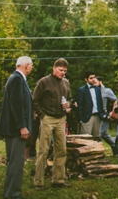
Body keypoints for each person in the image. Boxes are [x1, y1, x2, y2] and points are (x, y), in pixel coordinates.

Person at [33, 58, 72, 190]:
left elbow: (70, 99)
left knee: (61, 150)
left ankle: (58, 180)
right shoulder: (44, 82)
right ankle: (39, 181)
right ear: (54, 68)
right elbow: (35, 100)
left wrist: (68, 104)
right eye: (61, 70)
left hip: (61, 118)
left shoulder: (66, 83)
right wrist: (42, 115)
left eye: (65, 71)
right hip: (47, 118)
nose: (63, 73)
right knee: (43, 150)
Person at [0, 56, 33, 199]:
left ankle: (10, 192)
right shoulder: (17, 79)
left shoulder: (15, 79)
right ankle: (13, 195)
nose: (31, 68)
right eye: (31, 65)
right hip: (15, 130)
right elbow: (17, 105)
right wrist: (22, 126)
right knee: (16, 163)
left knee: (13, 163)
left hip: (13, 128)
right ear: (25, 65)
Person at [96, 76, 118, 156]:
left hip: (105, 114)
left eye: (96, 82)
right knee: (96, 134)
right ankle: (98, 151)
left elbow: (115, 100)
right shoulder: (94, 91)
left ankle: (114, 146)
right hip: (96, 114)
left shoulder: (106, 91)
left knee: (102, 133)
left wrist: (112, 113)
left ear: (100, 81)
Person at [76, 70, 103, 137]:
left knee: (97, 138)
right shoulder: (82, 90)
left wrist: (101, 114)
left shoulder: (98, 89)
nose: (93, 79)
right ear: (86, 79)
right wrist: (81, 119)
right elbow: (79, 106)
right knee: (86, 138)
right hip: (87, 117)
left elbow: (100, 103)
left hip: (97, 116)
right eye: (91, 78)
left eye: (94, 77)